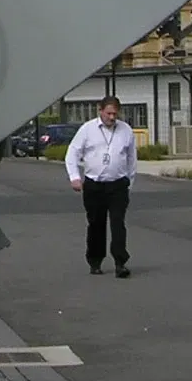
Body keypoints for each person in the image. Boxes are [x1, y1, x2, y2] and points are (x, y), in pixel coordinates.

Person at [64, 96, 136, 278]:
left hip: (118, 185)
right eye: (109, 113)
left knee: (118, 223)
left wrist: (129, 182)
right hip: (94, 185)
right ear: (101, 111)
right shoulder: (87, 130)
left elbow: (131, 159)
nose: (112, 117)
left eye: (115, 114)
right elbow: (72, 153)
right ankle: (95, 261)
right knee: (96, 224)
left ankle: (120, 262)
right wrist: (74, 177)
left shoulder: (125, 130)